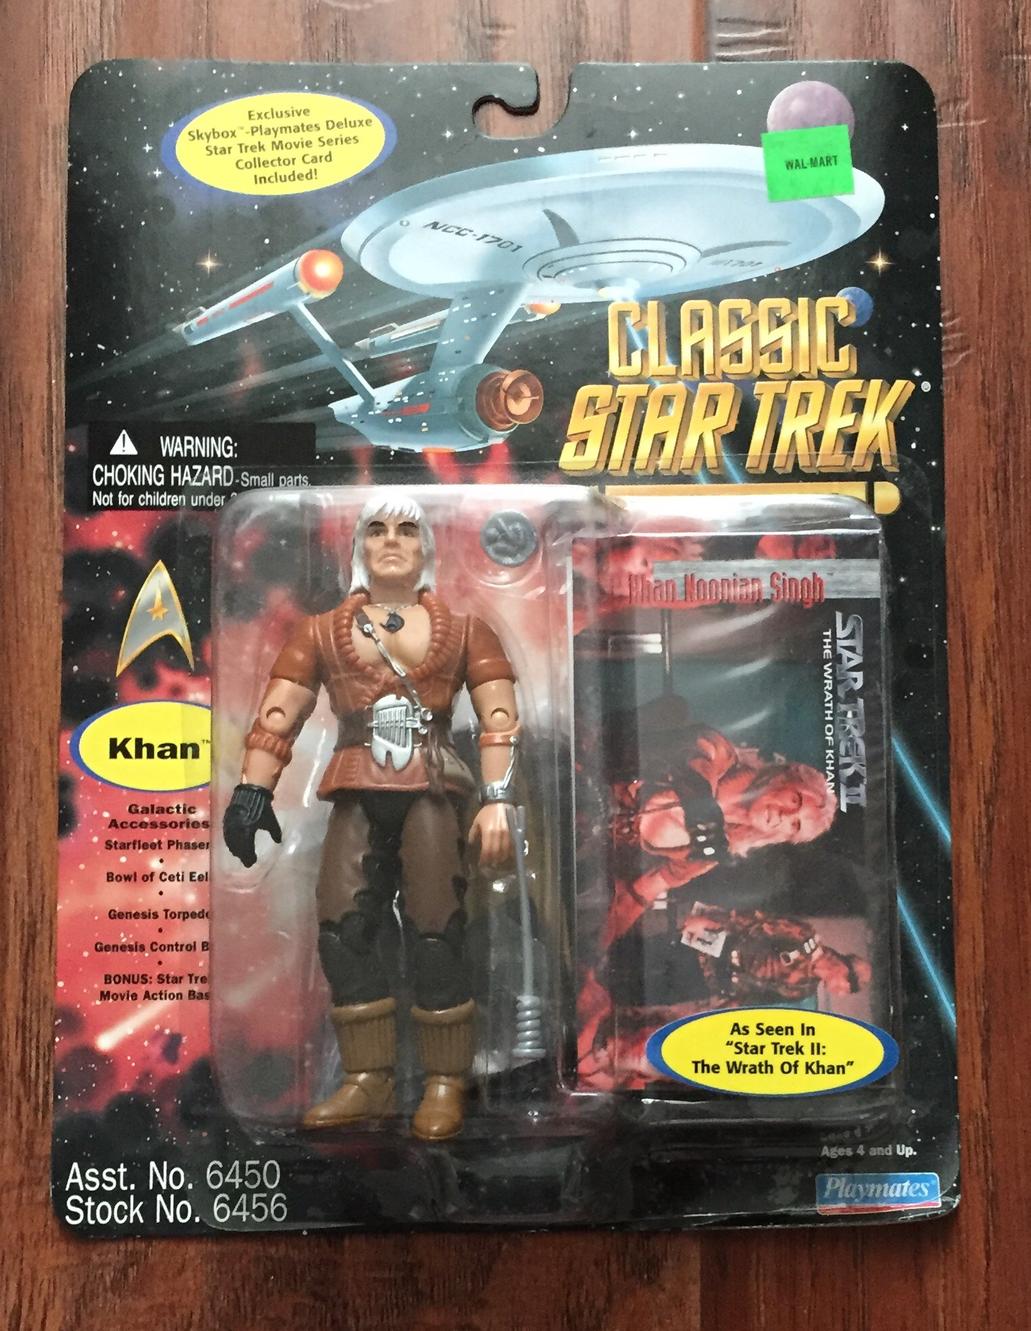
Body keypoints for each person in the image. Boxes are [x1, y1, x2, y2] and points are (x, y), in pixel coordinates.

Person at [223, 494, 519, 1140]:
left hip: (433, 789)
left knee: (437, 930)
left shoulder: (466, 630)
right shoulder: (320, 632)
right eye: (377, 529)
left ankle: (445, 1080)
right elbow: (277, 715)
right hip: (356, 786)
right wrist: (252, 792)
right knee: (341, 927)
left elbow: (499, 720)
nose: (390, 540)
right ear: (358, 546)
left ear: (425, 548)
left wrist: (498, 799)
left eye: (406, 530)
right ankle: (368, 1078)